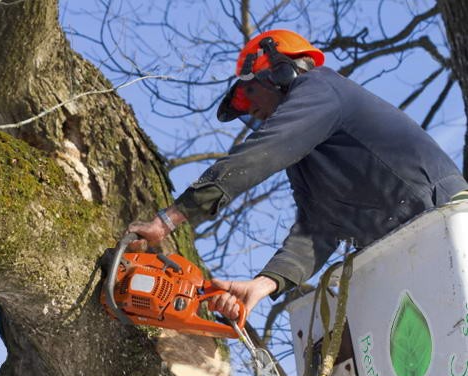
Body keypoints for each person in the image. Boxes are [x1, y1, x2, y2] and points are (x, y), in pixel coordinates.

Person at [128, 29, 468, 320]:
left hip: (443, 217)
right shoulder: (307, 155)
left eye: (249, 95)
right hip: (405, 247)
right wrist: (262, 285)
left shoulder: (321, 88)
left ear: (280, 73)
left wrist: (169, 219)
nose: (252, 112)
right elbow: (315, 230)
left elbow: (263, 152)